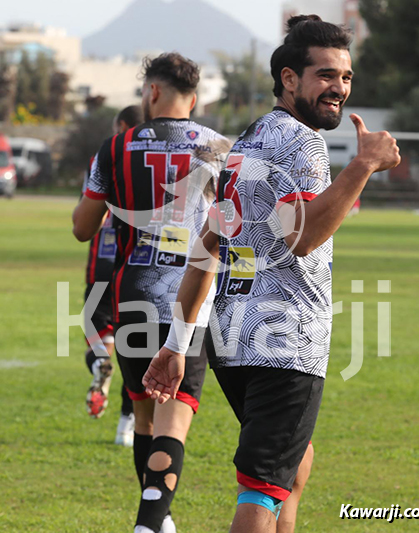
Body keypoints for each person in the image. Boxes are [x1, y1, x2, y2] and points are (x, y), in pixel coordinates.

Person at [142, 15, 400, 533]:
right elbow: (301, 236)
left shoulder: (249, 141)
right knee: (262, 487)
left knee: (295, 465)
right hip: (287, 344)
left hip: (234, 343)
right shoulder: (303, 144)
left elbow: (206, 249)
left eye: (345, 77)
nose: (339, 88)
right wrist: (363, 166)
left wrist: (176, 344)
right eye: (325, 75)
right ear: (288, 78)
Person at [72, 52, 231, 533]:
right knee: (173, 421)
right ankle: (151, 522)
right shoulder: (220, 148)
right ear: (195, 99)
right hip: (192, 298)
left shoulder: (115, 148)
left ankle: (158, 521)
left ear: (151, 93)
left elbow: (83, 228)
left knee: (144, 416)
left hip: (133, 295)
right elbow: (236, 229)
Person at [83, 105, 143, 448]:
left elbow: (84, 217)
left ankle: (101, 361)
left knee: (97, 325)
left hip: (101, 259)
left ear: (122, 125)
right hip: (141, 265)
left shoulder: (105, 155)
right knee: (137, 345)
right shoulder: (159, 154)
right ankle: (126, 423)